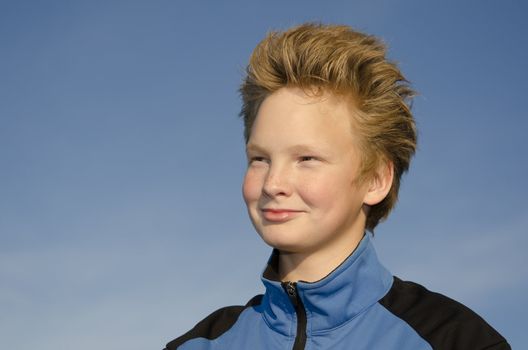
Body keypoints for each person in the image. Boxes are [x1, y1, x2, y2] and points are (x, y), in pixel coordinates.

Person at [164, 23, 510, 350]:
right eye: (260, 158)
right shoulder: (201, 344)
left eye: (307, 158)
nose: (273, 183)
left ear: (376, 180)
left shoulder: (453, 339)